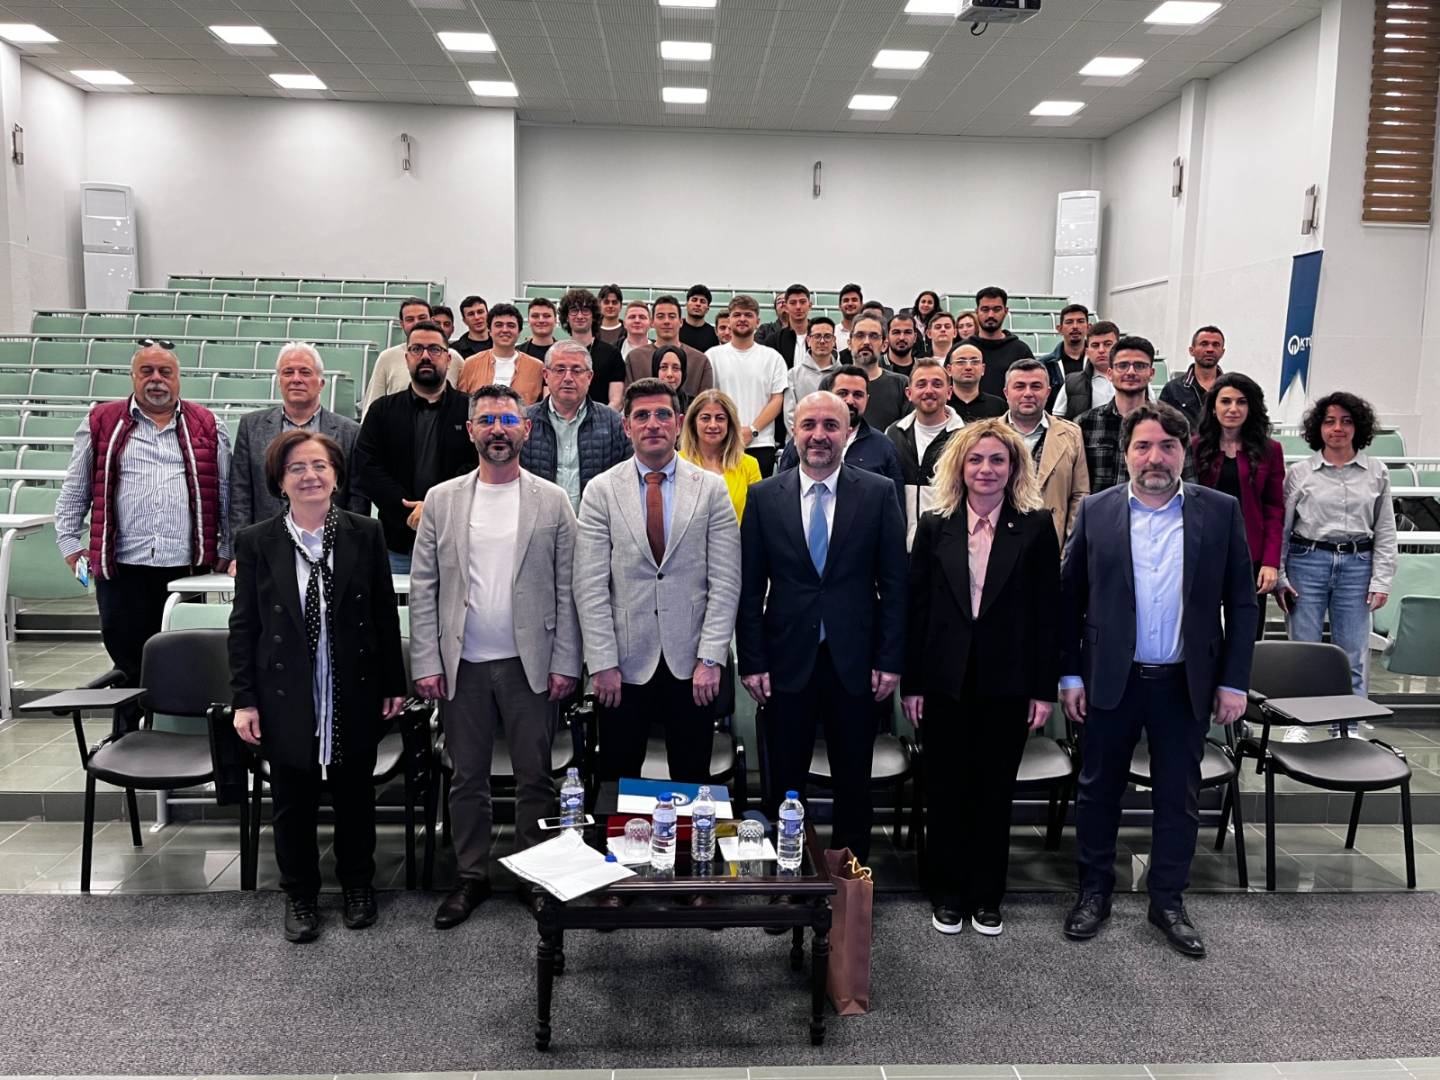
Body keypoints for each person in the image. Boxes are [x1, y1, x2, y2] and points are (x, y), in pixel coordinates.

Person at [1059, 402, 1257, 959]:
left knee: (1179, 797)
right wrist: (1070, 674)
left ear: (1183, 451)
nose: (1155, 458)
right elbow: (1068, 600)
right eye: (1143, 446)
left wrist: (1234, 682)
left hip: (1185, 682)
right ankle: (1094, 893)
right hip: (1110, 680)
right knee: (1098, 792)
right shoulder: (1095, 511)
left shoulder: (1219, 512)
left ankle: (1167, 900)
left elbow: (1243, 603)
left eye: (1167, 446)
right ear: (1125, 453)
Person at [409, 384, 581, 929]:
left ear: (526, 429)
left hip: (531, 665)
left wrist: (566, 661)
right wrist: (426, 662)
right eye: (486, 421)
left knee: (536, 777)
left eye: (508, 420)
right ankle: (471, 876)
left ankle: (535, 875)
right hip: (462, 665)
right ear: (470, 431)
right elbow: (424, 586)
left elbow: (569, 586)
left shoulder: (552, 500)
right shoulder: (442, 500)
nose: (497, 430)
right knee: (467, 778)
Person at [229, 429, 406, 943]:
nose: (310, 476)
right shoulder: (257, 541)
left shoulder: (364, 533)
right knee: (292, 797)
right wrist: (245, 699)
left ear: (336, 475)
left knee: (355, 793)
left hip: (352, 682)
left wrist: (392, 682)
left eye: (319, 466)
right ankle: (300, 894)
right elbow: (244, 626)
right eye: (297, 468)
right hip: (286, 688)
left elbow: (383, 614)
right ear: (280, 481)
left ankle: (358, 885)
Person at [902, 420, 1060, 936]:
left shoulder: (1035, 526)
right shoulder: (935, 525)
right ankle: (947, 893)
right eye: (976, 459)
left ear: (1013, 468)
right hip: (943, 682)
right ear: (960, 466)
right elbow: (916, 611)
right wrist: (912, 684)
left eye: (997, 460)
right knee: (945, 790)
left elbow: (1048, 615)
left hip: (1008, 683)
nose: (986, 469)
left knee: (994, 793)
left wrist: (1043, 690)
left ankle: (987, 896)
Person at [739, 391, 907, 862]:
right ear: (793, 431)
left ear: (848, 432)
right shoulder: (764, 496)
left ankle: (850, 880)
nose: (819, 435)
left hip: (856, 663)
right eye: (809, 424)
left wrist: (890, 660)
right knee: (783, 781)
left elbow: (896, 585)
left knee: (854, 779)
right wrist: (752, 661)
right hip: (784, 661)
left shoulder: (877, 492)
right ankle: (787, 877)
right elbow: (750, 589)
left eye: (831, 426)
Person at [573, 378, 741, 783]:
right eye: (642, 416)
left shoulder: (711, 489)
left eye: (663, 414)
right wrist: (602, 662)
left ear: (679, 423)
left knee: (692, 780)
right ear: (626, 426)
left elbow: (725, 581)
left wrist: (711, 658)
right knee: (619, 781)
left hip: (692, 664)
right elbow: (590, 586)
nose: (653, 424)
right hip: (623, 665)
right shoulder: (601, 491)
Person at [56, 343, 232, 717]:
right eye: (147, 371)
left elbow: (226, 492)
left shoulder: (208, 424)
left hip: (186, 569)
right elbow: (76, 487)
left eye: (165, 372)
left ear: (178, 378)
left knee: (183, 660)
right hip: (122, 568)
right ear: (133, 377)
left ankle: (176, 734)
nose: (156, 380)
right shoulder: (101, 421)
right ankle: (128, 734)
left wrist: (226, 551)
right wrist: (70, 544)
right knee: (128, 664)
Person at [1277, 391, 1397, 702]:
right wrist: (1280, 576)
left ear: (1358, 427)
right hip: (1307, 564)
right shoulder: (1299, 473)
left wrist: (1382, 580)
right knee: (1304, 651)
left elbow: (1385, 530)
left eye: (1346, 421)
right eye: (1329, 421)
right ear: (1319, 428)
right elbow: (1282, 529)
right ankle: (1302, 719)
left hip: (1357, 567)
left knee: (1353, 654)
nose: (1338, 428)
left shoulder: (1377, 472)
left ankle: (1349, 722)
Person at [358, 320, 476, 572]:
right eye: (416, 349)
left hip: (456, 539)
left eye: (434, 349)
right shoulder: (382, 411)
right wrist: (408, 512)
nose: (425, 356)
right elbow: (368, 468)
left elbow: (477, 466)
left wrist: (433, 507)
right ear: (406, 358)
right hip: (396, 540)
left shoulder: (471, 410)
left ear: (448, 359)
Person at [230, 343, 367, 538]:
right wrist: (239, 547)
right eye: (288, 372)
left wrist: (351, 544)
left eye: (305, 372)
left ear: (321, 383)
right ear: (279, 382)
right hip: (266, 543)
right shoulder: (250, 426)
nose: (296, 379)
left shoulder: (350, 432)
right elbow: (240, 495)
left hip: (330, 541)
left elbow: (357, 499)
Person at [1193, 372, 1284, 643]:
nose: (1233, 409)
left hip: (1250, 555)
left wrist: (1270, 562)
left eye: (1241, 402)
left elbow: (1274, 510)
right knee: (1202, 632)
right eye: (1226, 401)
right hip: (1203, 553)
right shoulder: (1194, 447)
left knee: (1247, 634)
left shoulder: (1270, 450)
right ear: (1213, 407)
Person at [520, 341, 631, 514]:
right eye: (559, 370)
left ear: (589, 377)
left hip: (597, 523)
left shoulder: (615, 423)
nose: (568, 378)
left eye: (577, 370)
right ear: (546, 375)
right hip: (539, 523)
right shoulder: (523, 422)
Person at [778, 365, 905, 511]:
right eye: (842, 393)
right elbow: (782, 492)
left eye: (858, 395)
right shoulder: (804, 442)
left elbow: (896, 506)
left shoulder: (883, 446)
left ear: (867, 399)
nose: (849, 400)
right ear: (829, 395)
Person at [1076, 335, 1194, 493]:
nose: (1131, 372)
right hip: (1099, 508)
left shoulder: (1173, 423)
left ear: (1151, 373)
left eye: (1139, 366)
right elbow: (1075, 487)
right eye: (1122, 365)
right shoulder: (1084, 423)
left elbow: (1187, 483)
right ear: (1110, 373)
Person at [1003, 358, 1089, 548]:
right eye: (1019, 386)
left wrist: (1069, 548)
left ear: (1048, 392)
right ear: (1006, 392)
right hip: (998, 542)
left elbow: (1080, 495)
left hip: (1052, 542)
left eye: (1036, 386)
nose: (1028, 393)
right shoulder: (986, 434)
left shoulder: (1071, 434)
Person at [886, 355, 965, 547]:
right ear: (909, 393)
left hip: (948, 545)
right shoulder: (892, 433)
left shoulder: (965, 438)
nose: (929, 390)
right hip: (900, 544)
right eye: (921, 384)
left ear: (949, 392)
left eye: (937, 384)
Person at [706, 294, 788, 478]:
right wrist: (729, 431)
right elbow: (708, 400)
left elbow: (777, 399)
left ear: (757, 321)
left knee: (758, 496)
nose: (742, 319)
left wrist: (752, 430)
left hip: (761, 443)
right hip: (721, 441)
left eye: (748, 315)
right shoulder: (712, 356)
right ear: (729, 320)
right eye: (737, 315)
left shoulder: (773, 357)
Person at [361, 297, 461, 413]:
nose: (416, 322)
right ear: (402, 324)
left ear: (432, 320)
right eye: (410, 319)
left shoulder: (454, 358)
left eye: (422, 318)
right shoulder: (387, 358)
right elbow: (372, 404)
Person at [680, 389, 763, 523]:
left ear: (730, 424)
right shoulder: (678, 462)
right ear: (693, 423)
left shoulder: (749, 465)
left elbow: (758, 517)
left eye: (720, 418)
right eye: (705, 418)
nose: (713, 425)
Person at [624, 295, 715, 401]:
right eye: (660, 316)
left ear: (681, 322)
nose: (666, 321)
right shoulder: (634, 358)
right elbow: (627, 400)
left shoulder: (700, 361)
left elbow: (705, 403)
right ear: (652, 322)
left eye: (672, 316)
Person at [457, 303, 545, 405]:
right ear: (489, 330)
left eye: (511, 325)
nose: (505, 330)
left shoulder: (536, 367)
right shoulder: (471, 364)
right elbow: (461, 404)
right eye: (498, 325)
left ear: (519, 331)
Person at [558, 287, 625, 410]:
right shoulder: (557, 354)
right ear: (566, 317)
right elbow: (552, 396)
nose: (579, 316)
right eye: (574, 311)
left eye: (585, 310)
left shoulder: (612, 354)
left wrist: (599, 419)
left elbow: (616, 401)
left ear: (593, 316)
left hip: (601, 420)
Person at [846, 313, 910, 432]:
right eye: (860, 335)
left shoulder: (901, 384)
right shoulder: (832, 382)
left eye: (874, 336)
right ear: (849, 343)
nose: (866, 342)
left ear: (884, 345)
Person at [970, 286, 1034, 398]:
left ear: (1006, 311)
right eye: (985, 309)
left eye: (997, 309)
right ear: (977, 311)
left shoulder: (1021, 351)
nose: (990, 315)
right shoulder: (962, 349)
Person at [1160, 326, 1226, 428]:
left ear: (1222, 352)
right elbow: (1161, 426)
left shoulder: (1231, 389)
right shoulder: (1173, 389)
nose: (1210, 349)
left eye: (1216, 345)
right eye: (1204, 344)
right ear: (1191, 350)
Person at [1053, 321, 1118, 419]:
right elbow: (1057, 420)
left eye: (1107, 344)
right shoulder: (1072, 383)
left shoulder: (1134, 380)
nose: (1101, 350)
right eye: (1095, 345)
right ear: (1087, 351)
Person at [784, 315, 839, 431]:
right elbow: (790, 415)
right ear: (808, 340)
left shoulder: (843, 374)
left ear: (834, 341)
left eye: (827, 336)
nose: (822, 341)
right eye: (817, 336)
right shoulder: (793, 375)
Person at [1039, 303, 1091, 407]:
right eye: (1069, 322)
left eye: (1080, 321)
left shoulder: (1097, 362)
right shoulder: (1045, 364)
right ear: (1060, 329)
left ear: (1089, 327)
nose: (1075, 326)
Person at [946, 343, 1007, 422]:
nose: (968, 367)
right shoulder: (942, 404)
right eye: (961, 362)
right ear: (949, 369)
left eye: (975, 362)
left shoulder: (998, 405)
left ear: (983, 369)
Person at [766, 284, 814, 368]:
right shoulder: (773, 341)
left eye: (802, 302)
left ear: (810, 305)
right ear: (786, 307)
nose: (798, 307)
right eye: (793, 303)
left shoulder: (822, 338)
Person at [680, 284, 720, 353]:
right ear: (686, 305)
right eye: (694, 300)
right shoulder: (676, 329)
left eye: (702, 301)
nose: (698, 304)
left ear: (707, 309)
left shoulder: (714, 334)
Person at [520, 297, 559, 363]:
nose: (541, 320)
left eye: (546, 316)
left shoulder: (565, 353)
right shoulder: (517, 353)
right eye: (535, 316)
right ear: (528, 321)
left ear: (555, 321)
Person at [452, 294, 492, 359]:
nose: (477, 317)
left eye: (480, 312)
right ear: (464, 321)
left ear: (488, 315)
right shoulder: (455, 351)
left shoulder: (500, 345)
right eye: (471, 314)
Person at [881, 311, 919, 377]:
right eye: (896, 332)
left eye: (907, 332)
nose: (902, 338)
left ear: (915, 337)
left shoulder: (924, 368)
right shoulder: (875, 367)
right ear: (887, 337)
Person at [909, 290, 942, 355]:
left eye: (930, 302)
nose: (926, 305)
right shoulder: (910, 323)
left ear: (935, 306)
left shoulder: (939, 323)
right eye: (923, 301)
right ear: (918, 304)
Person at [835, 283, 864, 352]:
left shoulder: (869, 333)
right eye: (846, 300)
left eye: (854, 300)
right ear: (839, 306)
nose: (850, 303)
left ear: (862, 305)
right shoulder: (833, 333)